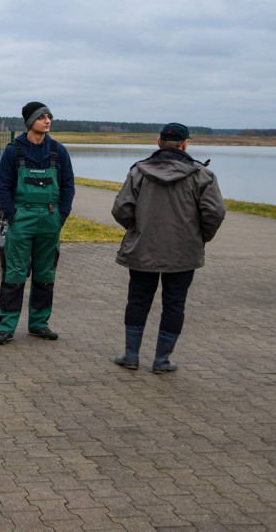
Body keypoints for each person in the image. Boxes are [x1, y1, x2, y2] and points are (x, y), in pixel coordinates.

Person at [110, 122, 225, 373]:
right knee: (175, 304)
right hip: (183, 251)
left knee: (138, 300)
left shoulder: (138, 172)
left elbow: (121, 209)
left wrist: (138, 229)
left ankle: (131, 355)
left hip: (143, 248)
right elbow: (214, 213)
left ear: (158, 142)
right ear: (185, 144)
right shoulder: (202, 175)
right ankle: (161, 360)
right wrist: (199, 237)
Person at [0, 101, 75, 345]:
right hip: (22, 219)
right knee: (14, 274)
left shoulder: (58, 151)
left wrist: (61, 216)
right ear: (30, 122)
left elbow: (68, 185)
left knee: (45, 275)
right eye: (42, 117)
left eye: (49, 116)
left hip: (50, 221)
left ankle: (39, 324)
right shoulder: (13, 150)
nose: (47, 120)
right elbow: (2, 186)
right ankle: (6, 327)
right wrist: (12, 216)